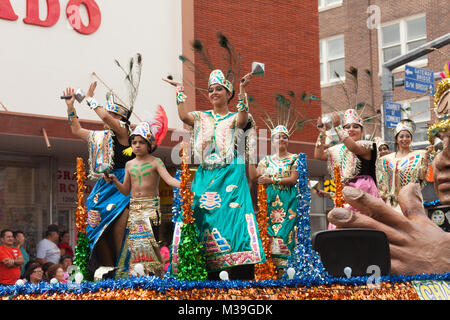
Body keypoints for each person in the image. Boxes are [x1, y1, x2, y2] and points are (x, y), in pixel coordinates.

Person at [163, 69, 266, 280]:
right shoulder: (201, 117)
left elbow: (243, 119)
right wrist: (180, 91)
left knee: (231, 219)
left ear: (229, 93)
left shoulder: (234, 118)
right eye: (211, 90)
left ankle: (238, 269)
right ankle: (201, 269)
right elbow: (183, 116)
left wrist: (244, 90)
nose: (214, 92)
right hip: (205, 176)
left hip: (230, 175)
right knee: (198, 217)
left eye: (219, 89)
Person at [62, 82, 134, 276]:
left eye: (115, 115)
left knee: (119, 229)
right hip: (103, 187)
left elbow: (103, 115)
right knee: (95, 229)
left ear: (123, 119)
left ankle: (123, 271)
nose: (109, 118)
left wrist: (90, 98)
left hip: (122, 186)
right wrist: (71, 107)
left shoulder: (125, 133)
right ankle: (109, 272)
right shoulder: (99, 137)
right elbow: (76, 130)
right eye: (110, 114)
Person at [107, 110, 179, 277]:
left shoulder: (156, 162)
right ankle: (139, 276)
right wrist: (115, 181)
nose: (137, 145)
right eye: (134, 142)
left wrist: (187, 185)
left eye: (141, 142)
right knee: (135, 244)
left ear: (149, 144)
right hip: (134, 208)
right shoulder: (129, 165)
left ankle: (158, 277)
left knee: (152, 244)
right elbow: (125, 190)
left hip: (150, 207)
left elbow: (169, 180)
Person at [314, 109, 382, 229]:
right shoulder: (337, 149)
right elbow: (318, 155)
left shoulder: (367, 145)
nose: (351, 129)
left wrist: (338, 127)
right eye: (347, 127)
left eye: (355, 126)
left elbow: (353, 147)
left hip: (364, 192)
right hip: (345, 194)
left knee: (364, 227)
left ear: (361, 131)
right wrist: (322, 134)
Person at [249, 126, 299, 278]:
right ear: (272, 141)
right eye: (278, 137)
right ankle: (271, 272)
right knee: (269, 235)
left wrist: (271, 180)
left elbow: (292, 179)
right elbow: (253, 176)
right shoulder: (266, 160)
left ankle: (287, 272)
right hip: (270, 203)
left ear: (288, 140)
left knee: (285, 233)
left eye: (284, 137)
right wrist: (250, 158)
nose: (281, 139)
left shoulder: (294, 158)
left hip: (287, 202)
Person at [376, 119, 432, 212]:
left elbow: (421, 177)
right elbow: (382, 184)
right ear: (396, 139)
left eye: (408, 136)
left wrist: (426, 158)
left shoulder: (419, 155)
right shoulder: (386, 159)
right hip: (392, 204)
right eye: (401, 136)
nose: (405, 139)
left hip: (411, 201)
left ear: (411, 139)